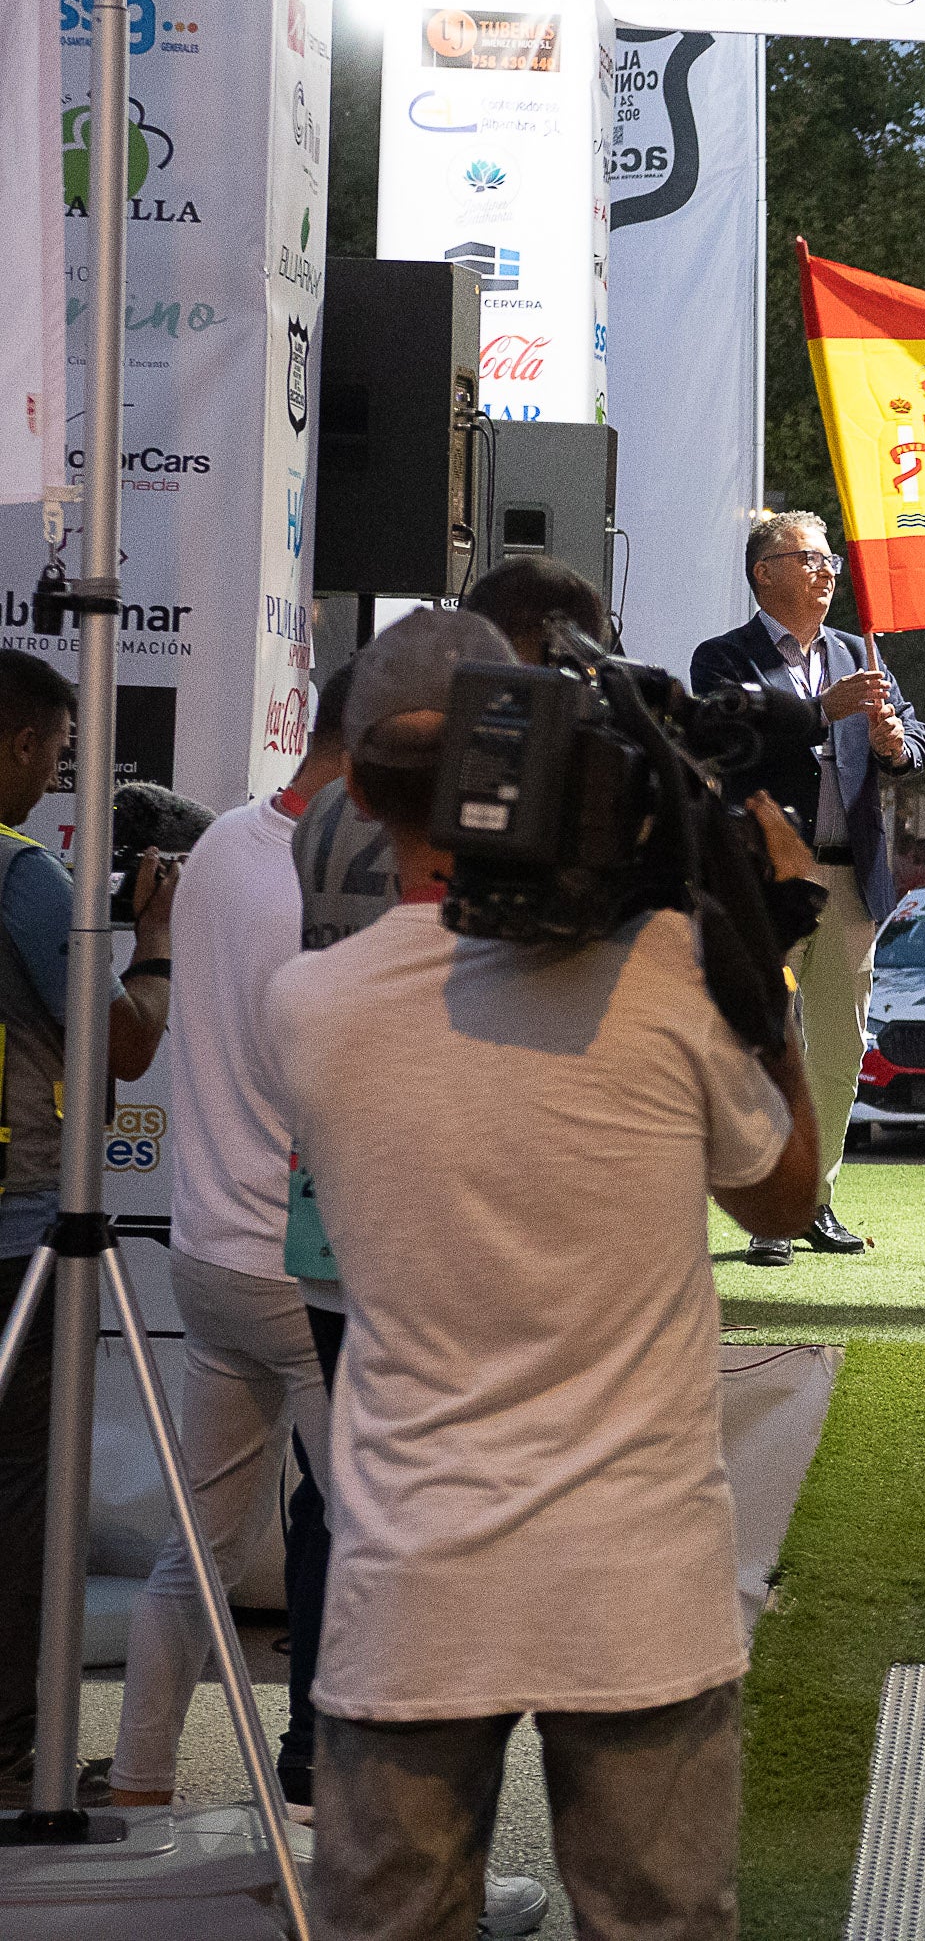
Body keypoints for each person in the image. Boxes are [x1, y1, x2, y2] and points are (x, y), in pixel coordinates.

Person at [256, 609, 821, 1940]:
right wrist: (765, 955)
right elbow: (783, 1194)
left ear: (363, 786)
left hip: (411, 1582)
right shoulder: (668, 977)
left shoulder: (307, 1009)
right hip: (636, 1582)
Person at [109, 663, 352, 1817]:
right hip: (301, 1272)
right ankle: (342, 1814)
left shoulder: (219, 849)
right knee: (372, 1553)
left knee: (193, 1549)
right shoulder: (333, 882)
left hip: (208, 1253)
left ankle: (146, 1782)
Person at [0, 652, 176, 1811]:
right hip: (20, 1233)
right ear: (19, 743)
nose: (57, 773)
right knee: (20, 1490)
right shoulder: (24, 878)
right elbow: (124, 1045)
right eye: (58, 751)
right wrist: (151, 943)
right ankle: (13, 1734)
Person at [693, 511, 925, 1269]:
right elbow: (725, 737)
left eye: (829, 561)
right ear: (766, 572)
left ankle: (813, 1201)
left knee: (839, 1048)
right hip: (769, 877)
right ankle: (768, 1207)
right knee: (768, 1043)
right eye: (810, 559)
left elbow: (917, 739)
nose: (827, 573)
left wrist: (897, 746)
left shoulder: (859, 653)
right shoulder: (722, 658)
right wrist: (819, 712)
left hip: (850, 877)